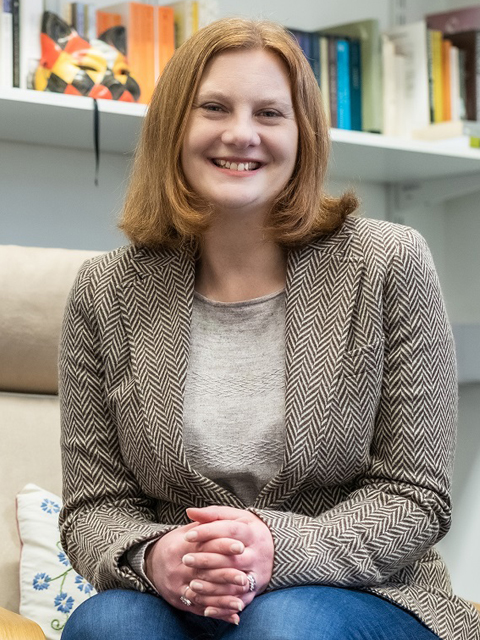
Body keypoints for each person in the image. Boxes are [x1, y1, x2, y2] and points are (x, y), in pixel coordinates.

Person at [59, 17, 480, 640]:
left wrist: (276, 549)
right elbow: (94, 506)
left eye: (270, 113)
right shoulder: (106, 290)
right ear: (173, 125)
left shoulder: (388, 261)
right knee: (108, 623)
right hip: (185, 599)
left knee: (282, 623)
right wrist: (155, 556)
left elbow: (415, 494)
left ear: (303, 134)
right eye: (214, 108)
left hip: (362, 595)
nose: (241, 133)